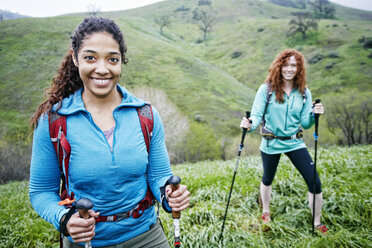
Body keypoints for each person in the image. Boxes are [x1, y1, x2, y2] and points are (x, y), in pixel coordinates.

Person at [29, 17, 190, 247]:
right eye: (90, 58)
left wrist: (169, 196)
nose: (102, 69)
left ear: (121, 61)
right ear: (75, 58)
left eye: (112, 59)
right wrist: (65, 220)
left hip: (146, 235)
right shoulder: (54, 121)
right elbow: (42, 191)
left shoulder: (146, 115)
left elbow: (158, 176)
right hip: (86, 242)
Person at [240, 49, 327, 233]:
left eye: (293, 65)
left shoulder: (304, 93)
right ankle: (265, 211)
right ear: (279, 66)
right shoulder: (267, 89)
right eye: (286, 65)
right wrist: (249, 125)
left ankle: (317, 223)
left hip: (295, 142)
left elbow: (305, 122)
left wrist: (314, 115)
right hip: (271, 143)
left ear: (299, 68)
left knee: (314, 181)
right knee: (268, 178)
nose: (289, 69)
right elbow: (256, 114)